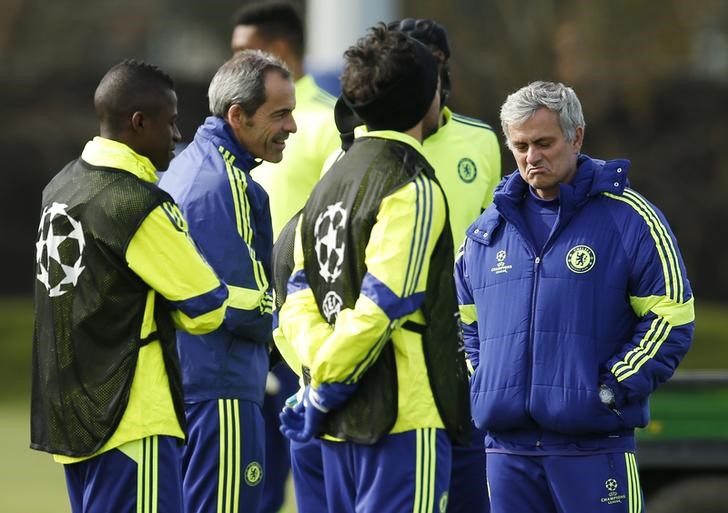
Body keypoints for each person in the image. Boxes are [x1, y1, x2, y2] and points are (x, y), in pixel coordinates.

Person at [281, 18, 501, 513]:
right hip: (404, 416)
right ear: (430, 97)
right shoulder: (414, 186)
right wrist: (326, 386)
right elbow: (385, 305)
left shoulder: (331, 177)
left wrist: (320, 372)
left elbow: (297, 290)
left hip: (340, 425)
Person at [455, 80, 695, 513]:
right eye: (520, 145)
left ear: (576, 135)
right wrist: (483, 380)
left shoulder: (631, 219)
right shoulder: (485, 232)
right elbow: (463, 321)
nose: (532, 157)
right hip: (506, 454)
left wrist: (609, 388)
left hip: (594, 450)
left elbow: (672, 317)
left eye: (544, 143)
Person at [31, 59, 232, 513]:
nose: (178, 134)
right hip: (131, 421)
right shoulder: (136, 204)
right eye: (171, 120)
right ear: (139, 122)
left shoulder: (58, 188)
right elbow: (208, 306)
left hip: (73, 423)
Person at [157, 50, 296, 513]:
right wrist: (299, 330)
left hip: (189, 385)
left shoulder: (187, 165)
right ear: (238, 115)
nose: (291, 127)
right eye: (280, 114)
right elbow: (241, 301)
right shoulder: (225, 183)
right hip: (221, 390)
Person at [230, 3, 341, 511]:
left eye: (241, 52)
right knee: (254, 481)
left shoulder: (322, 124)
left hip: (303, 325)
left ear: (276, 50)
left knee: (312, 476)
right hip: (250, 321)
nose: (229, 62)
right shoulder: (239, 125)